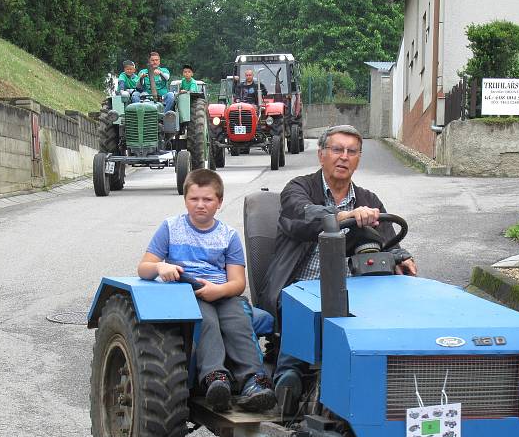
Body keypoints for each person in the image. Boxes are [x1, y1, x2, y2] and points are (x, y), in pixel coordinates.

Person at [257, 124, 417, 401]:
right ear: (321, 154)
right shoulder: (299, 188)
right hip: (300, 285)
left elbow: (388, 242)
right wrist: (346, 216)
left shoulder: (369, 200)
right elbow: (301, 219)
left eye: (351, 151)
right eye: (337, 149)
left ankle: (388, 384)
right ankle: (288, 376)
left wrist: (402, 257)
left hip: (356, 289)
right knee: (307, 308)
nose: (344, 156)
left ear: (358, 159)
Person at [138, 169, 276, 413]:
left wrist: (218, 290)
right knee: (207, 321)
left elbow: (237, 283)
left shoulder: (228, 236)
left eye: (208, 199)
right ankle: (215, 378)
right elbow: (143, 268)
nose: (200, 205)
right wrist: (161, 266)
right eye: (194, 199)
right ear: (185, 200)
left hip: (221, 292)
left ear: (219, 202)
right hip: (186, 292)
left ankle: (254, 381)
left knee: (238, 322)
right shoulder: (170, 228)